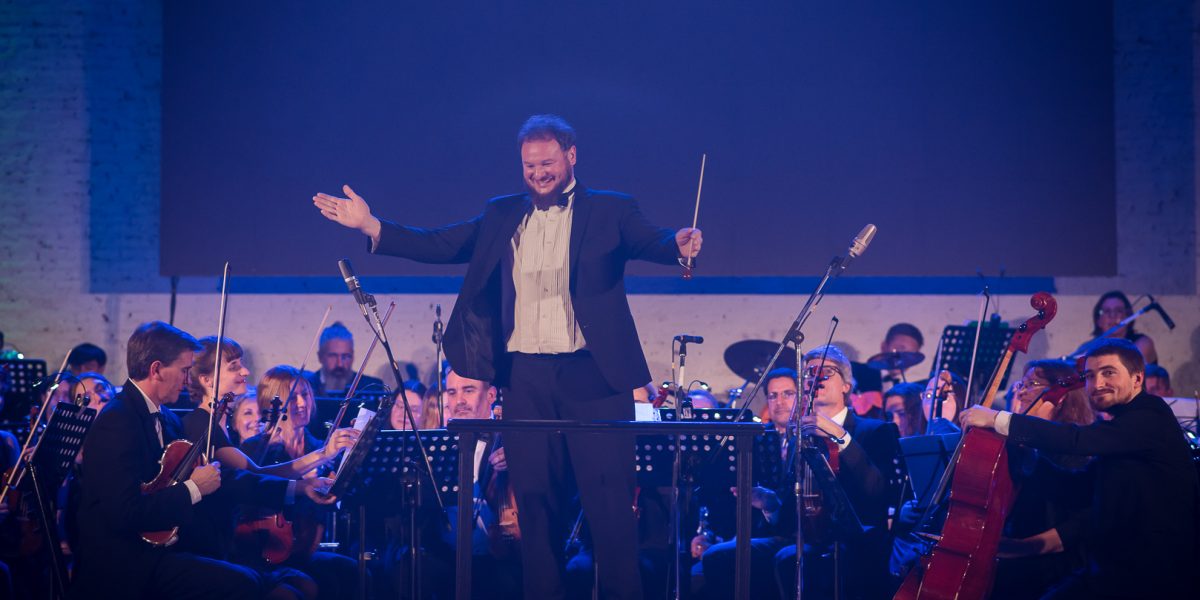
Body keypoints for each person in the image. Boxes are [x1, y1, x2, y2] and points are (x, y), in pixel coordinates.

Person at [313, 113, 701, 600]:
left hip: (594, 376)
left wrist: (677, 245)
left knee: (609, 509)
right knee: (535, 512)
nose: (538, 173)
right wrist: (371, 224)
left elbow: (653, 239)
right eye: (529, 166)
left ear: (571, 155)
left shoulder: (612, 209)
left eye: (547, 163)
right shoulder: (501, 214)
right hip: (525, 377)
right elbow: (441, 243)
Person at [960, 338, 1200, 598]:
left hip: (1155, 576)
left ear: (1137, 379)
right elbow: (1077, 490)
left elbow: (1077, 440)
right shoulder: (1121, 430)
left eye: (1108, 373)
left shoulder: (1151, 415)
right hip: (1115, 570)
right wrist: (1028, 456)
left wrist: (998, 418)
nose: (1097, 384)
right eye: (1090, 376)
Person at [71, 321, 259, 598]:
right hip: (124, 565)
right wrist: (194, 488)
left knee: (248, 574)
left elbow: (217, 477)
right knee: (241, 584)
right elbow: (125, 511)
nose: (187, 380)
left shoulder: (167, 418)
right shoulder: (117, 421)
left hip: (158, 554)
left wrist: (293, 489)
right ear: (156, 369)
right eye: (184, 370)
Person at [240, 366, 358, 599]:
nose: (302, 403)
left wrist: (343, 471)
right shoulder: (255, 449)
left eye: (305, 395)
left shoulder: (320, 446)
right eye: (293, 397)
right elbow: (253, 493)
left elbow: (338, 502)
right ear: (271, 402)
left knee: (350, 570)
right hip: (266, 550)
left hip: (305, 548)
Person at [991, 359, 1095, 600]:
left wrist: (1020, 548)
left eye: (1032, 384)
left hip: (1051, 570)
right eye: (1021, 384)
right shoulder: (1017, 446)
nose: (1020, 392)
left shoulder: (1076, 450)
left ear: (1059, 398)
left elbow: (1078, 526)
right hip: (1012, 559)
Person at [305, 322, 384, 398]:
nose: (340, 364)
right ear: (320, 357)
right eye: (333, 356)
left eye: (345, 356)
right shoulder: (305, 387)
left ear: (353, 356)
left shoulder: (372, 388)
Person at [1079, 290, 1157, 364]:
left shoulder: (1143, 343)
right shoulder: (1087, 348)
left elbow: (1127, 366)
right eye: (1107, 311)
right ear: (1098, 321)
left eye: (1119, 311)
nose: (1113, 316)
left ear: (1128, 316)